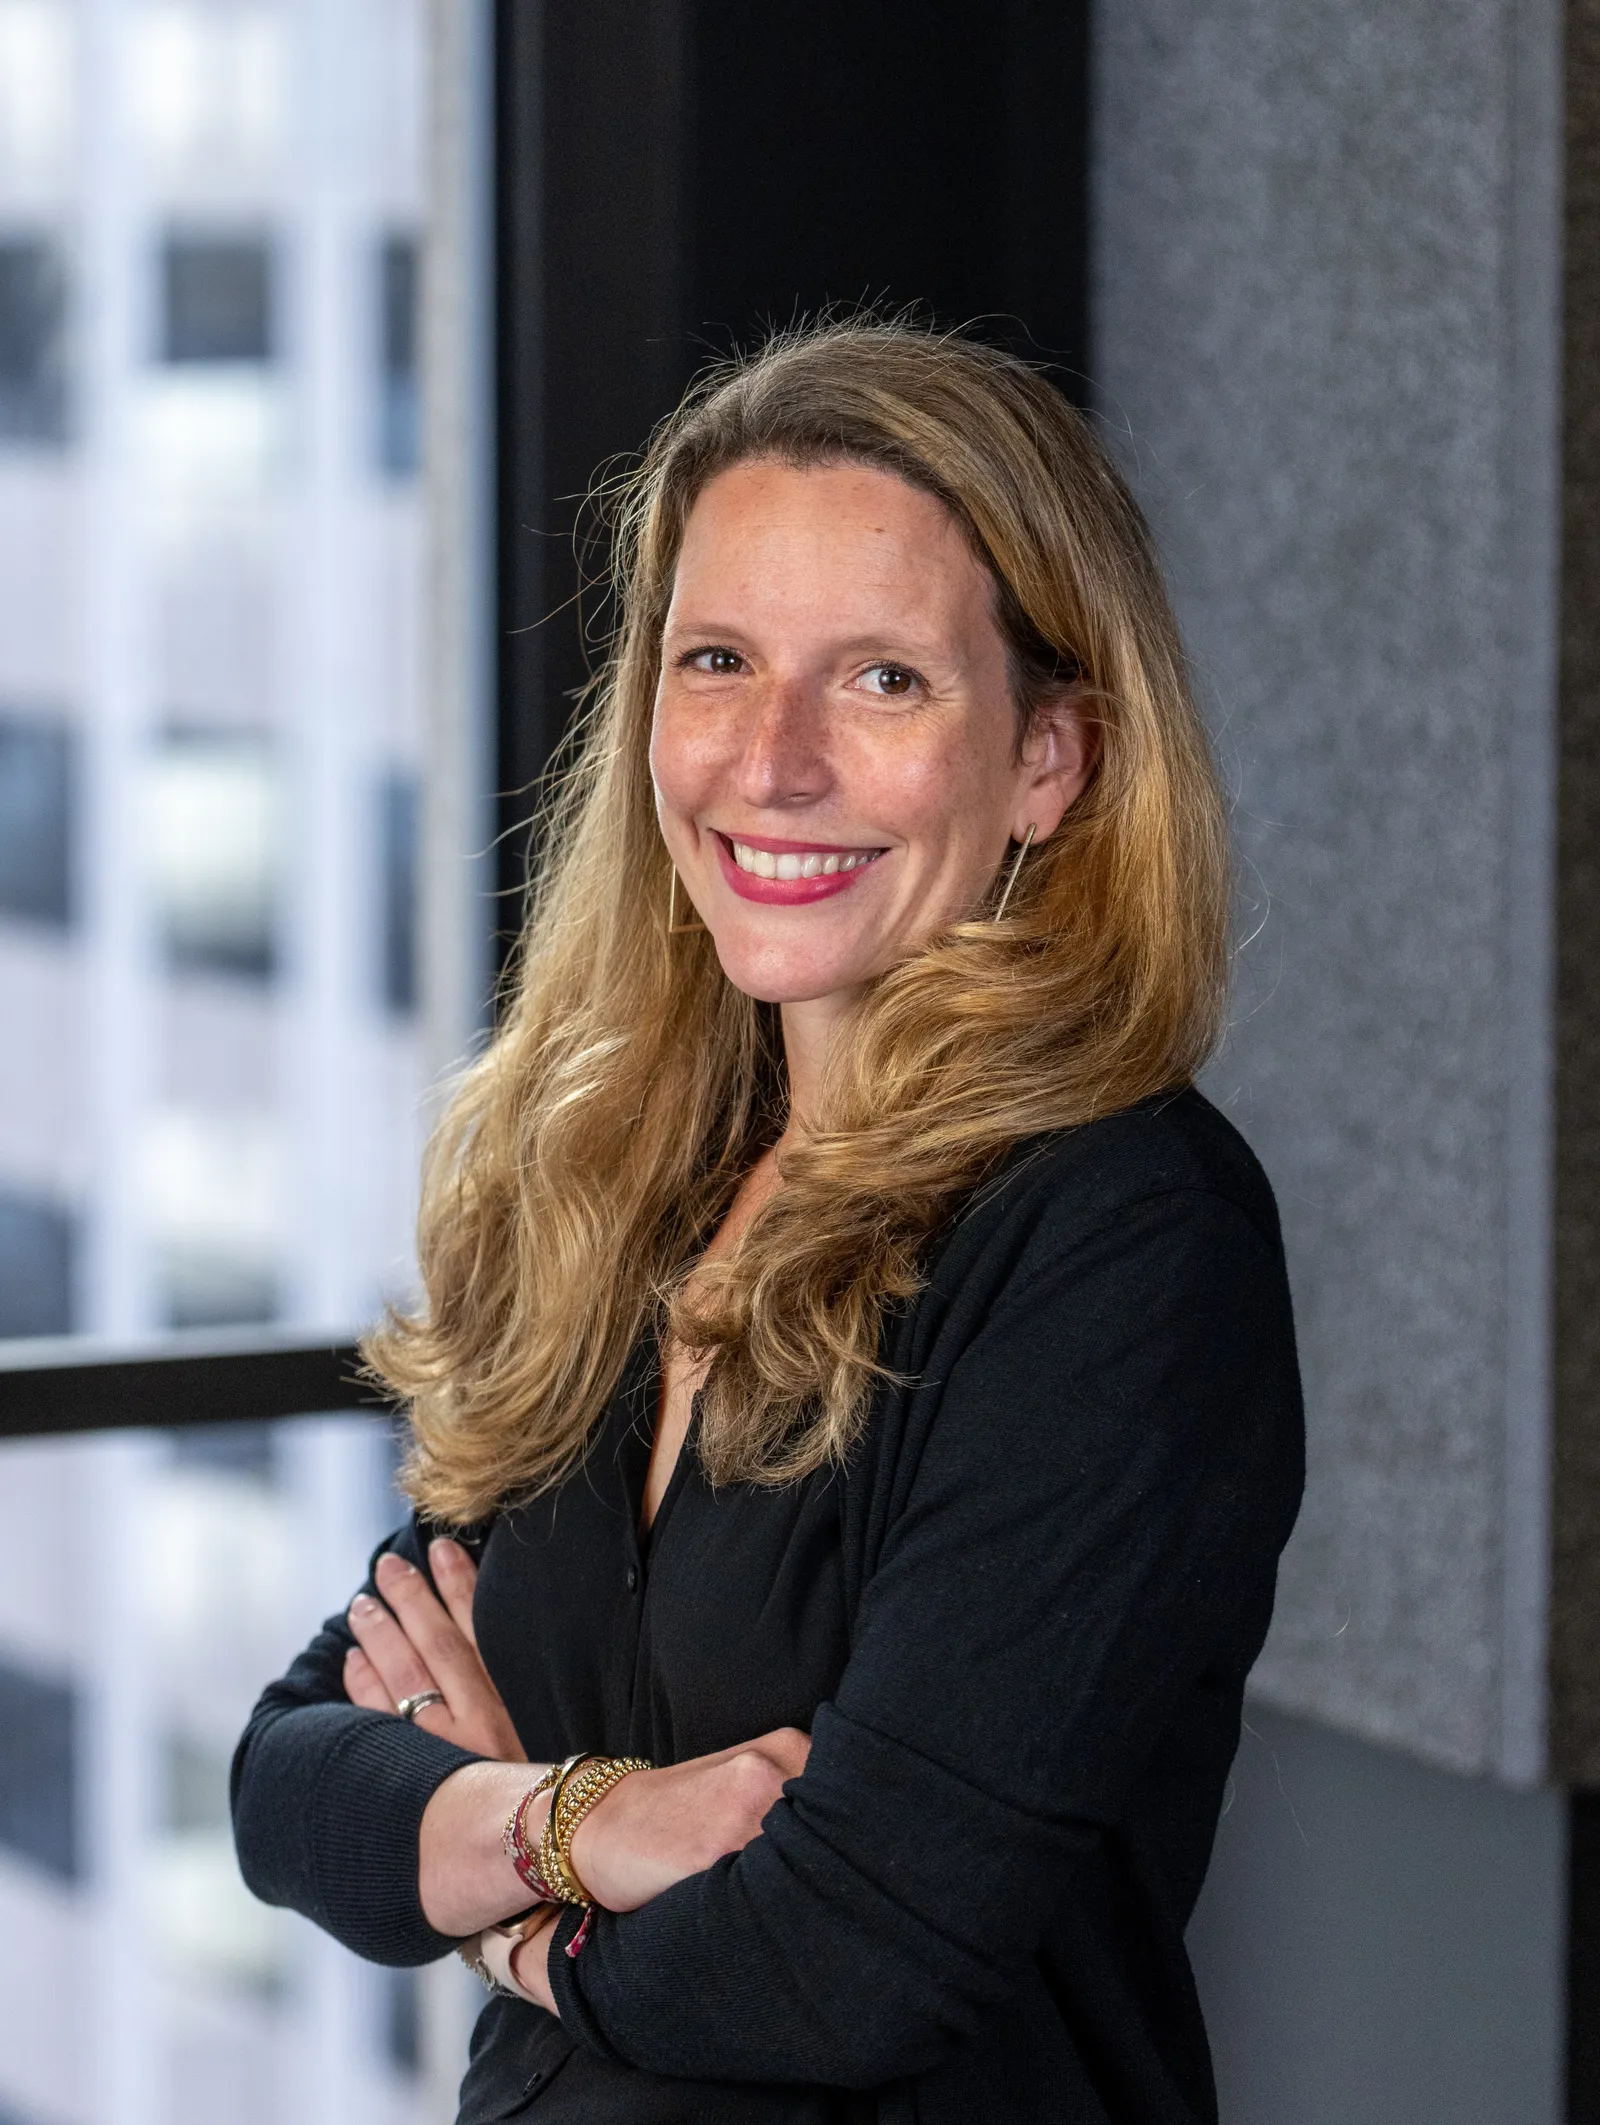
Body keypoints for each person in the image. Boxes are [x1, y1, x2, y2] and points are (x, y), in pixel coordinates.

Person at [232, 319, 1303, 2124]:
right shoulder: (624, 1185)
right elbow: (286, 1784)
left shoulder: (1129, 1242)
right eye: (717, 658)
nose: (773, 760)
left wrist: (496, 1882)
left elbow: (838, 1967)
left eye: (884, 681)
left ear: (1051, 759)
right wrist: (592, 1822)